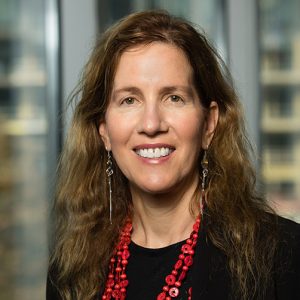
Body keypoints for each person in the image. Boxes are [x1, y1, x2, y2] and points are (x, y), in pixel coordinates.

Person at [47, 10, 300, 300]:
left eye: (174, 98)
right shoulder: (68, 271)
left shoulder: (284, 256)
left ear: (209, 124)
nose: (152, 124)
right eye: (130, 100)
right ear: (104, 131)